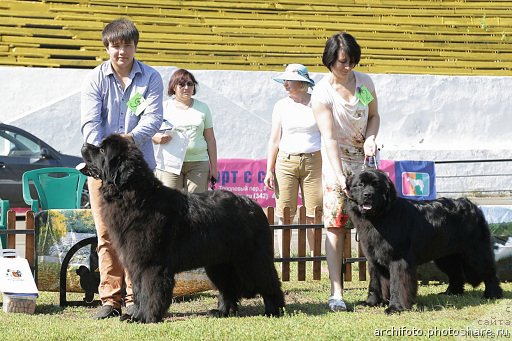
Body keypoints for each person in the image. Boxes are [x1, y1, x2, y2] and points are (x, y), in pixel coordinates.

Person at [80, 18, 163, 320]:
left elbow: (152, 119)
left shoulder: (151, 77)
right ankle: (110, 298)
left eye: (127, 44)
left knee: (140, 236)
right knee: (106, 235)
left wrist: (126, 144)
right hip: (104, 171)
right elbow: (90, 124)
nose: (122, 51)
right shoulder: (95, 79)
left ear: (135, 46)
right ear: (107, 47)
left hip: (139, 171)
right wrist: (106, 154)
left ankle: (134, 297)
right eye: (116, 45)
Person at [311, 32, 380, 312]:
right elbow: (328, 139)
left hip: (366, 159)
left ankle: (377, 287)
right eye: (342, 62)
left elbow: (373, 116)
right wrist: (340, 177)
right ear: (330, 61)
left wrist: (371, 138)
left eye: (351, 61)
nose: (347, 67)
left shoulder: (364, 83)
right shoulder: (322, 93)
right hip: (336, 160)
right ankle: (336, 292)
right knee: (336, 225)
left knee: (374, 224)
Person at [263, 64, 322, 256]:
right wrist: (269, 169)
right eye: (285, 80)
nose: (285, 84)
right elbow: (274, 140)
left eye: (289, 80)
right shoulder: (280, 106)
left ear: (302, 83)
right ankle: (285, 257)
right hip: (285, 161)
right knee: (285, 213)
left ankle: (316, 257)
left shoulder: (318, 103)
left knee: (314, 213)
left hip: (314, 161)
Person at [152, 69, 217, 193]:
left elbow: (210, 139)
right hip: (169, 164)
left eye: (190, 84)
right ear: (173, 87)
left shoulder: (203, 108)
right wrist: (155, 138)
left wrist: (214, 168)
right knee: (169, 205)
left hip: (198, 163)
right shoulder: (163, 107)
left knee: (198, 205)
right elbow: (149, 131)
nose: (186, 87)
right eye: (181, 84)